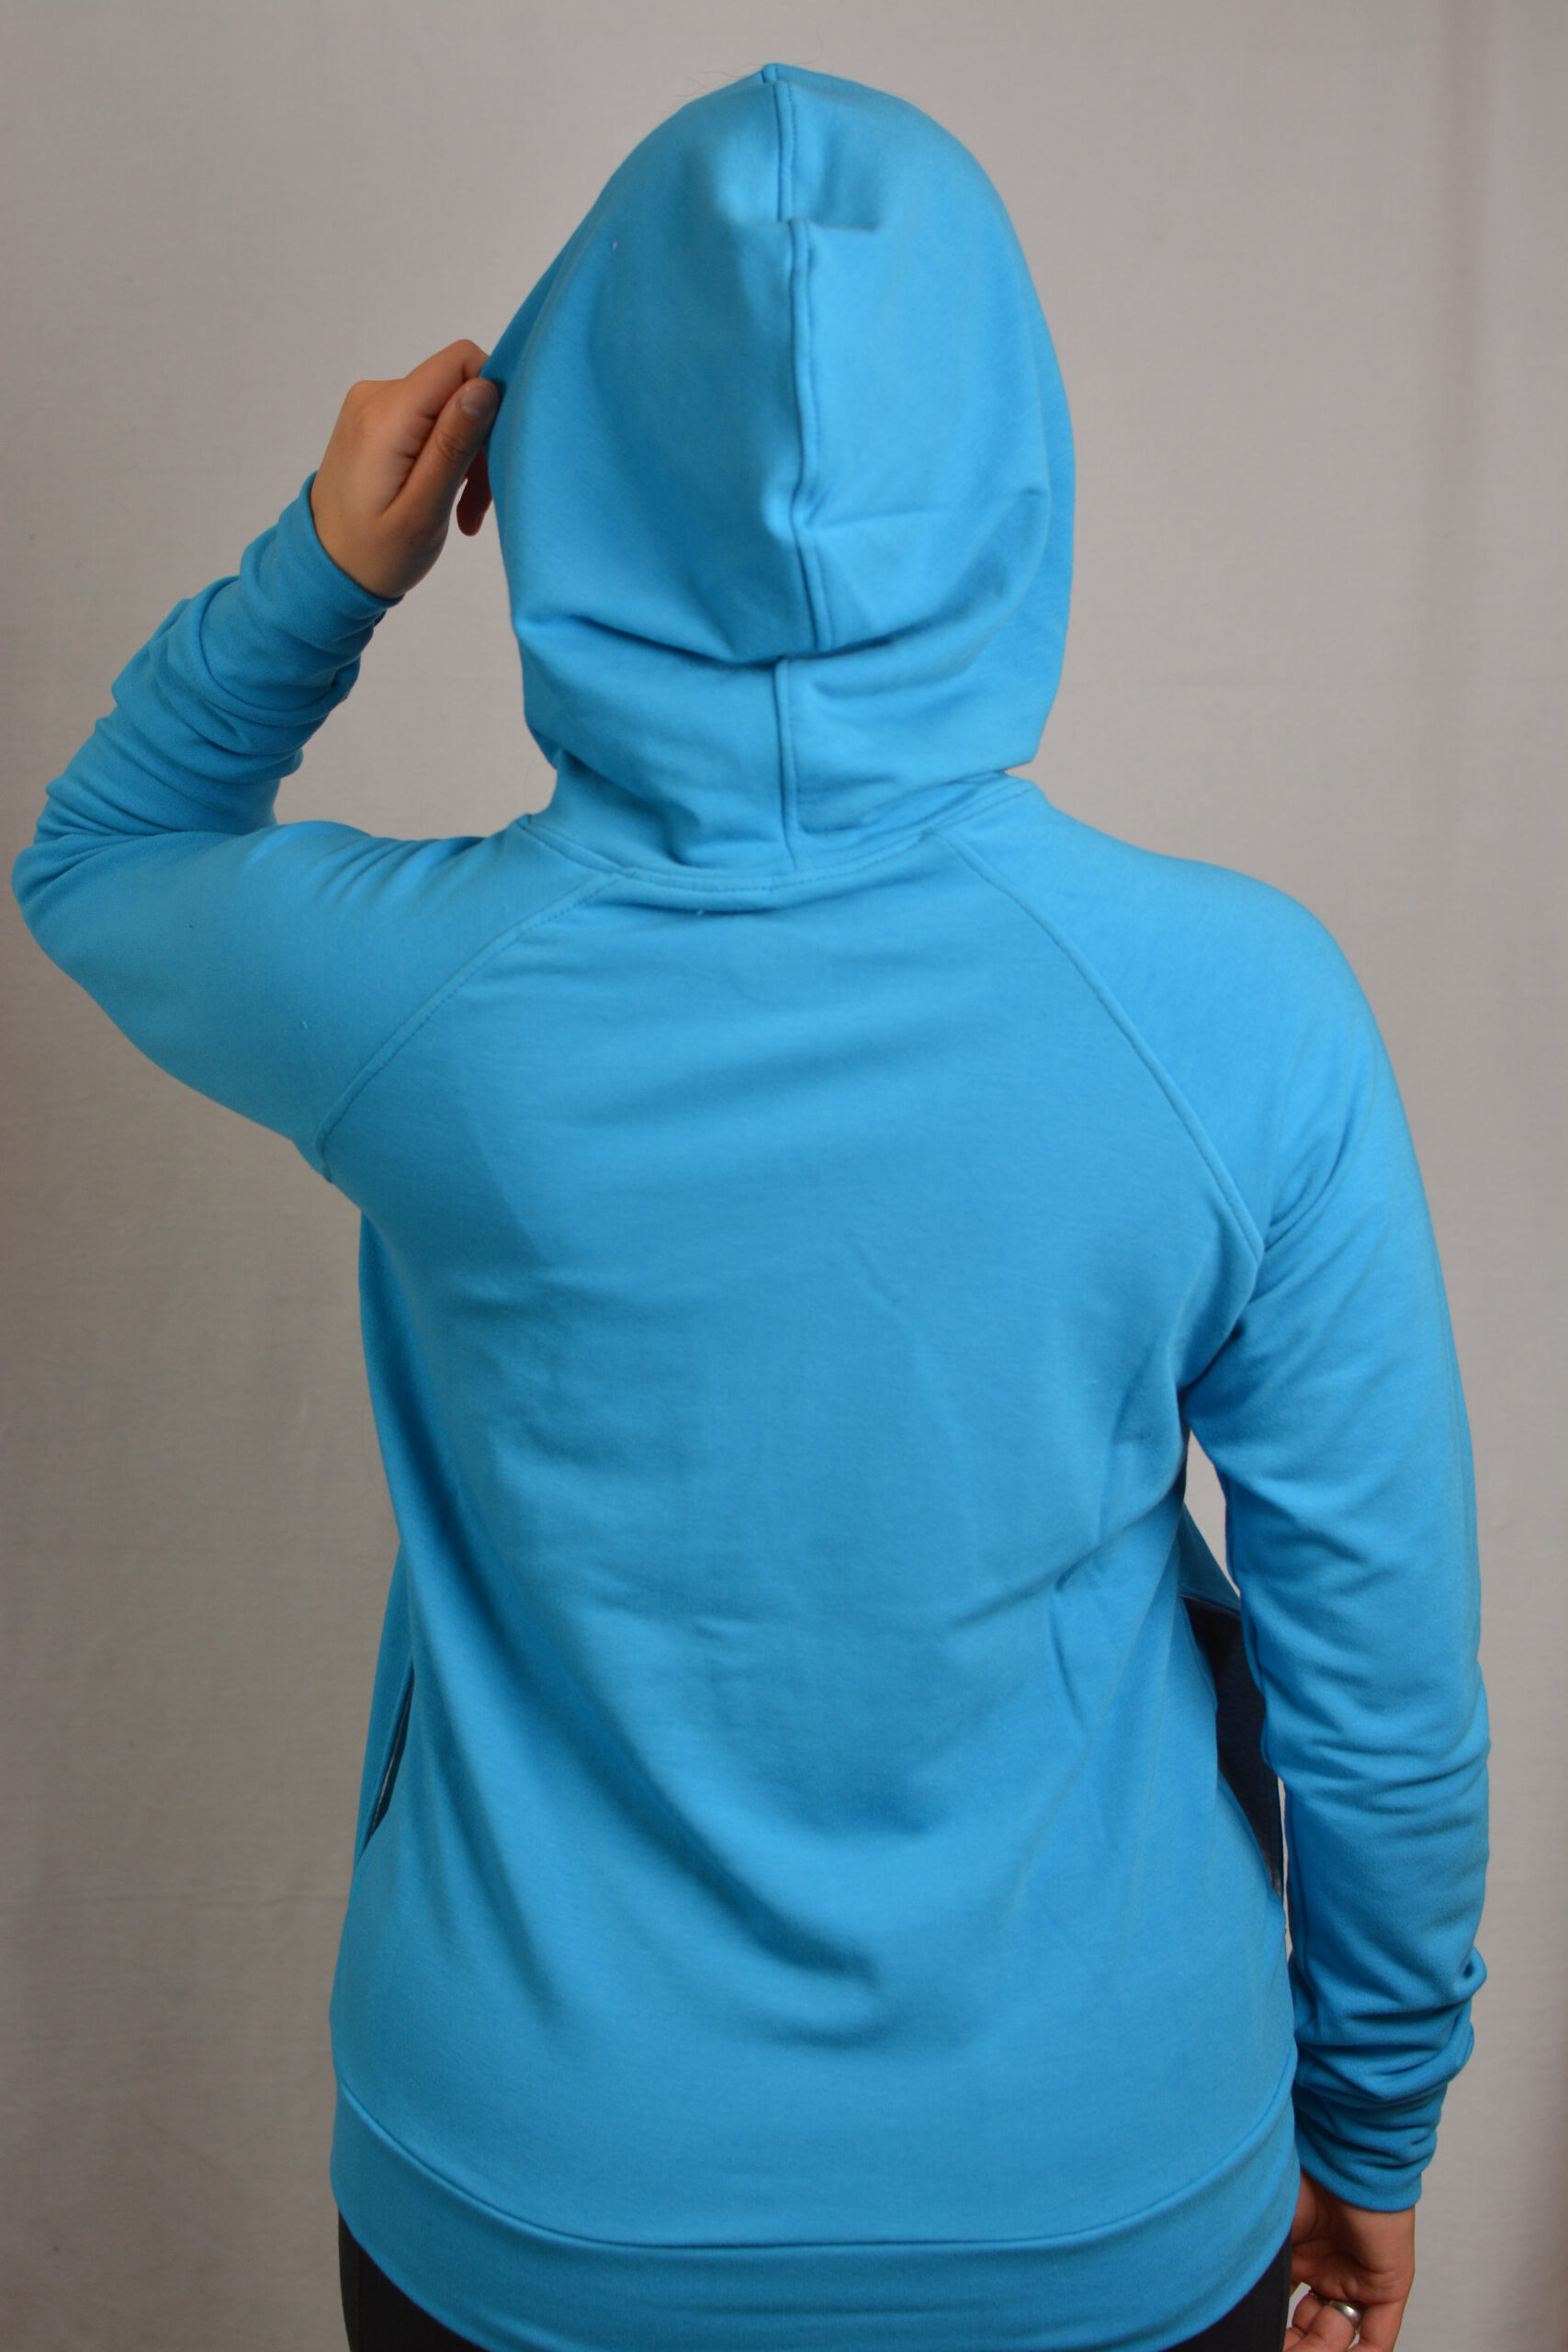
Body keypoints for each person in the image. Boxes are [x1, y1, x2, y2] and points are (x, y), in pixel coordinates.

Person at [11, 60, 1487, 2352]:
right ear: (1012, 468)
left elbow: (101, 856)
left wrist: (327, 564)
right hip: (1090, 2191)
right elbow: (1371, 1659)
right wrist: (1368, 2127)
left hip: (534, 2195)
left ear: (559, 455)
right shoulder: (1240, 1012)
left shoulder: (425, 993)